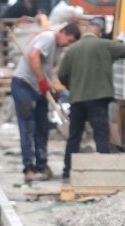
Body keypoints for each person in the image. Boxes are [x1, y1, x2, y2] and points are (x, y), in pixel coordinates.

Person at [58, 21, 125, 180]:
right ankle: (103, 171)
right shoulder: (103, 44)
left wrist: (73, 86)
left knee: (74, 136)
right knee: (101, 134)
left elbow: (61, 74)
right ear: (98, 34)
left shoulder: (72, 49)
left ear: (85, 33)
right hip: (98, 99)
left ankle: (67, 171)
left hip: (77, 99)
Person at [11, 23, 81, 182]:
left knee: (43, 127)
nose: (67, 44)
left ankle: (41, 165)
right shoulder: (48, 38)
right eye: (68, 40)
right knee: (28, 128)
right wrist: (42, 81)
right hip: (24, 85)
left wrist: (49, 87)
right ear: (63, 33)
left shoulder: (58, 47)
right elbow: (33, 56)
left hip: (38, 88)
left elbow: (47, 68)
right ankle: (29, 167)